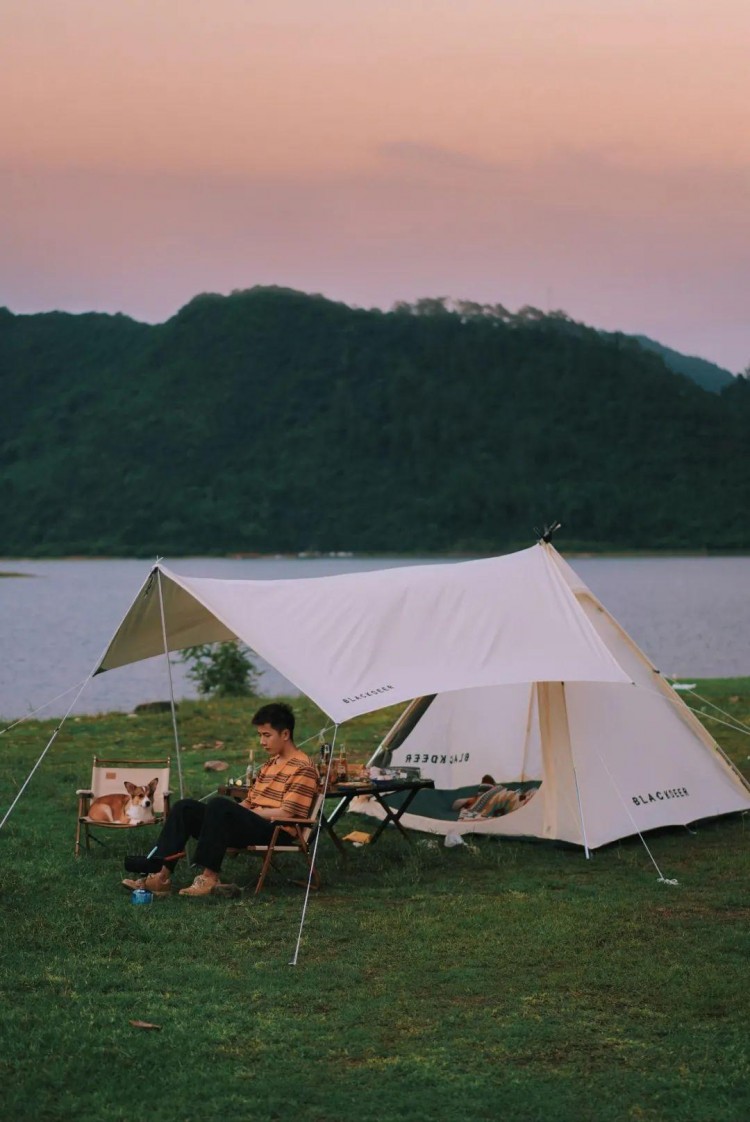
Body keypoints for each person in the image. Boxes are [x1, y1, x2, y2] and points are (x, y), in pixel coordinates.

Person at [122, 702, 319, 898]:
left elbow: (286, 813)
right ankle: (160, 876)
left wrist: (236, 813)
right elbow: (248, 803)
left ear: (285, 734)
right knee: (185, 808)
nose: (261, 742)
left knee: (220, 805)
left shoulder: (302, 767)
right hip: (254, 824)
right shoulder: (271, 764)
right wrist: (223, 815)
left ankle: (209, 878)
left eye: (267, 735)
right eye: (259, 735)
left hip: (276, 830)